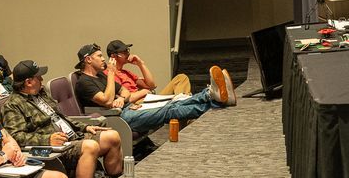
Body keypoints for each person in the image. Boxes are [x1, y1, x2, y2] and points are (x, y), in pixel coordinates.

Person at [0, 59, 124, 178]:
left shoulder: (41, 94)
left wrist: (85, 127)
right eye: (38, 76)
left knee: (112, 136)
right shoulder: (13, 105)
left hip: (72, 138)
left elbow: (62, 117)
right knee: (90, 146)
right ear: (28, 82)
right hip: (52, 150)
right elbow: (16, 137)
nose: (42, 79)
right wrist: (47, 139)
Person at [73, 43, 232, 136]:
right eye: (99, 56)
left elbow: (126, 93)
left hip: (128, 108)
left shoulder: (100, 77)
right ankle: (213, 98)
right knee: (169, 111)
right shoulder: (84, 82)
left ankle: (213, 97)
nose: (103, 59)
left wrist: (121, 98)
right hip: (118, 118)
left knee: (172, 105)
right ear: (88, 59)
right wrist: (111, 76)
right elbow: (106, 101)